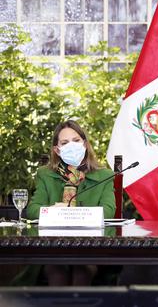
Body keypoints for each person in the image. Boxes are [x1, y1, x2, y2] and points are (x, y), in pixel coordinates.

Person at [17, 120, 116, 286]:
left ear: (84, 144)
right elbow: (33, 210)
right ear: (57, 149)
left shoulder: (104, 175)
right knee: (57, 271)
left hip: (91, 247)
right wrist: (53, 210)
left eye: (76, 141)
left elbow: (108, 211)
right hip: (51, 248)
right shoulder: (45, 174)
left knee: (81, 270)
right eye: (64, 143)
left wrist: (70, 213)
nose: (71, 145)